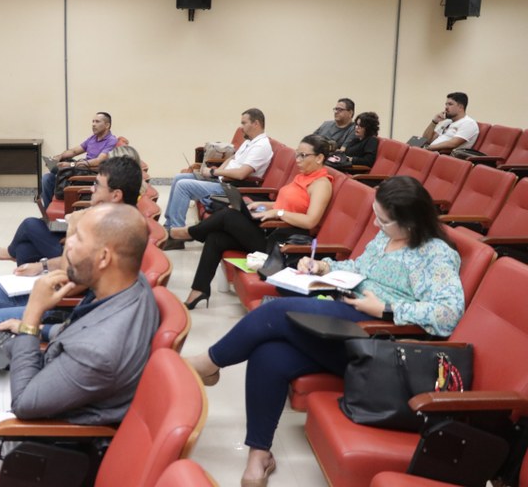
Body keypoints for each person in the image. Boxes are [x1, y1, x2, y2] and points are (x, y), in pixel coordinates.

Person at [186, 176, 465, 487]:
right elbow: (360, 269)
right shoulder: (386, 237)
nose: (376, 224)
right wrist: (325, 268)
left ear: (412, 222)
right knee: (270, 354)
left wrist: (384, 309)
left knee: (276, 311)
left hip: (378, 341)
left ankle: (210, 363)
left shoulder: (436, 254)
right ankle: (259, 452)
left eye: (383, 220)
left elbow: (447, 313)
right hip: (349, 324)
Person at [0, 203, 158, 487]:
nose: (65, 243)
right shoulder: (131, 284)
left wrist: (32, 317)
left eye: (77, 238)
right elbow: (76, 330)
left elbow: (23, 404)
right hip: (58, 392)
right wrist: (34, 330)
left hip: (49, 441)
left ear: (104, 257)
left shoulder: (99, 348)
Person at [169, 135, 335, 309]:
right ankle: (199, 290)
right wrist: (262, 205)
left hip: (284, 245)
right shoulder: (302, 177)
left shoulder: (321, 184)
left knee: (228, 215)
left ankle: (185, 233)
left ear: (319, 158)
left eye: (303, 156)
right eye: (297, 155)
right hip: (271, 232)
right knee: (216, 237)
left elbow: (310, 221)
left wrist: (278, 212)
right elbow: (286, 204)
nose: (298, 160)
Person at [0, 155, 143, 321]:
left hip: (70, 311)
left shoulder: (113, 231)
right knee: (24, 250)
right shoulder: (119, 217)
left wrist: (73, 228)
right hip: (75, 297)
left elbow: (69, 283)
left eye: (97, 185)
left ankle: (6, 335)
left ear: (116, 195)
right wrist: (42, 265)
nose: (92, 189)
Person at [162, 108, 273, 248]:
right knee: (179, 178)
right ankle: (168, 226)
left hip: (234, 187)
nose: (241, 127)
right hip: (223, 179)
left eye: (244, 123)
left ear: (256, 123)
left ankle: (176, 235)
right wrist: (217, 171)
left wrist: (215, 173)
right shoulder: (249, 141)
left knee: (183, 186)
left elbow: (241, 174)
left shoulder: (262, 146)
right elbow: (233, 158)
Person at [40, 112, 117, 207]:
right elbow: (74, 151)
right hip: (81, 169)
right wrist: (59, 156)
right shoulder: (93, 138)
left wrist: (71, 165)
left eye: (97, 122)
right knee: (47, 178)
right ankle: (48, 215)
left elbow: (98, 161)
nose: (93, 124)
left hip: (92, 174)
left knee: (57, 170)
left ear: (107, 125)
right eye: (93, 121)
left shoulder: (111, 141)